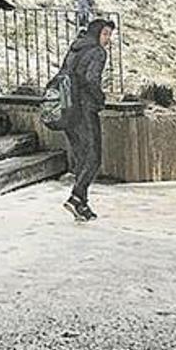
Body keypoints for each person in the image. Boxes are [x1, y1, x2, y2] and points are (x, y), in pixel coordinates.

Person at [61, 18, 115, 221]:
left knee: (82, 157)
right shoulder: (98, 52)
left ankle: (81, 204)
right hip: (85, 109)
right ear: (96, 33)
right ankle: (76, 198)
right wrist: (100, 99)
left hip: (68, 109)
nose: (108, 39)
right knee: (93, 157)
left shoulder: (76, 47)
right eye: (105, 34)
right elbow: (91, 79)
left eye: (109, 34)